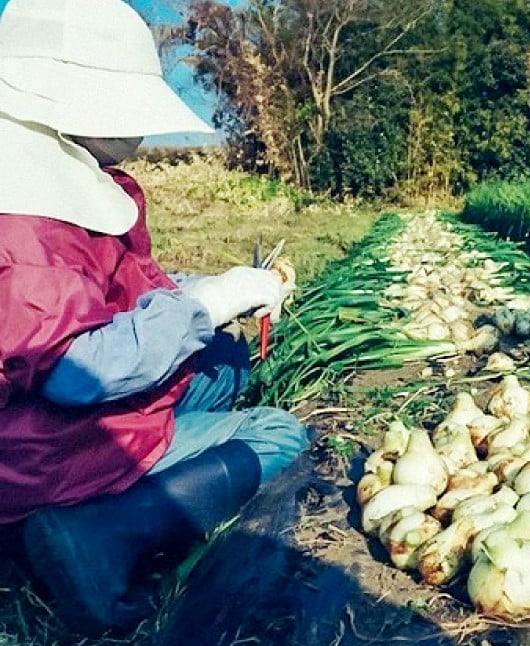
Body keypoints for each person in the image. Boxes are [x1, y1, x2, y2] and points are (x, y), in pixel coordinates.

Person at [0, 0, 310, 633]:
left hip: (37, 432)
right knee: (279, 435)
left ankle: (145, 486)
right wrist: (210, 303)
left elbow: (130, 290)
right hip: (39, 456)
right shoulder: (28, 226)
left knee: (223, 362)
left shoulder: (52, 182)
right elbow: (79, 370)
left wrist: (226, 288)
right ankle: (99, 535)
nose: (142, 135)